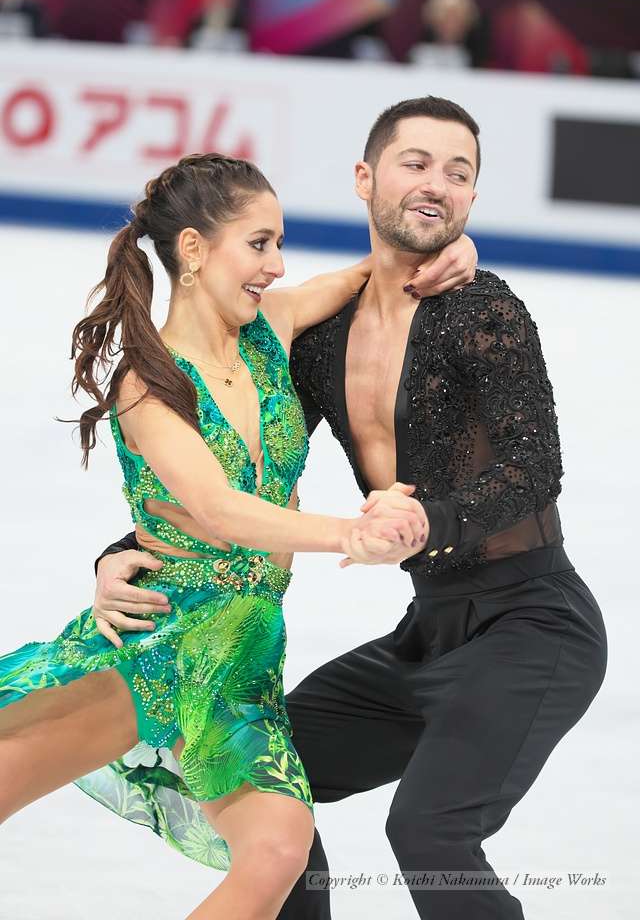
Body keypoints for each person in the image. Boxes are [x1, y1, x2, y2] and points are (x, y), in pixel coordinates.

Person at [95, 99, 608, 919]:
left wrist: (420, 522)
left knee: (431, 830)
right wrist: (124, 551)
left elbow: (534, 469)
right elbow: (249, 472)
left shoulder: (485, 313)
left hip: (536, 624)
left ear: (473, 199)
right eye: (415, 163)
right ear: (366, 178)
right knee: (274, 788)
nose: (436, 185)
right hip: (430, 628)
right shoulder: (325, 337)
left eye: (459, 172)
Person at [0, 152, 476, 920]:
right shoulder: (149, 381)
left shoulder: (272, 329)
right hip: (156, 643)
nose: (277, 265)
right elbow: (221, 510)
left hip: (243, 655)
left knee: (280, 851)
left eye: (279, 244)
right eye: (259, 244)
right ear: (193, 250)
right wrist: (353, 533)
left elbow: (368, 277)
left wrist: (451, 250)